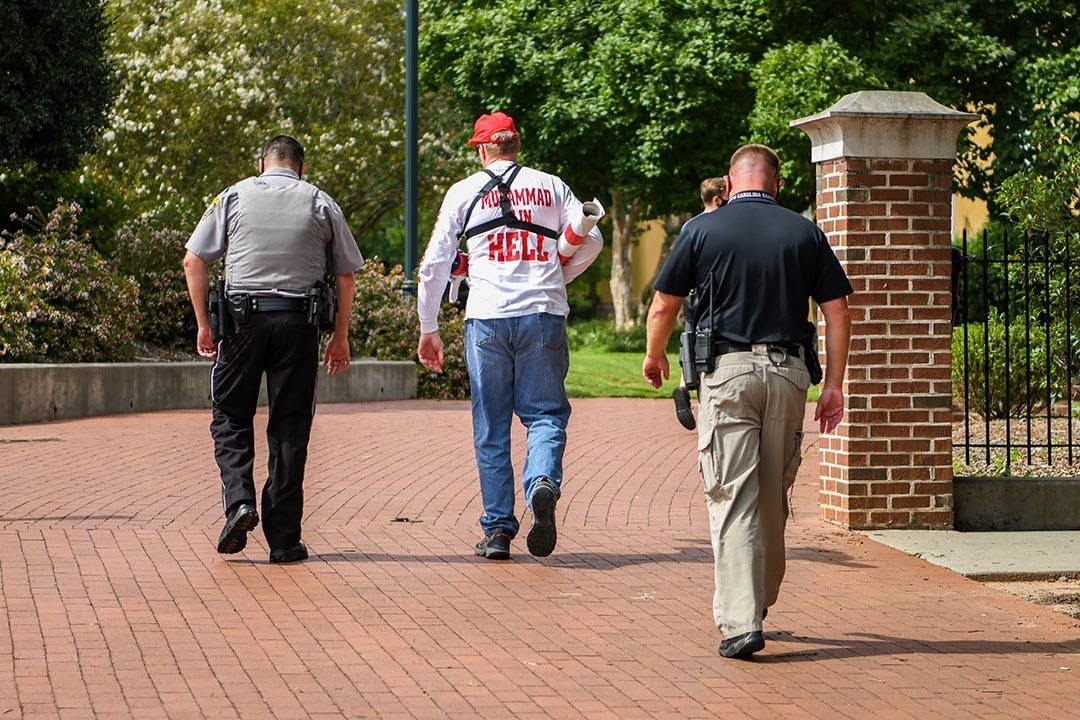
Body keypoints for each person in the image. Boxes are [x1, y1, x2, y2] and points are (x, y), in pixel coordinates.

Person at [642, 144, 852, 659]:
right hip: (788, 374)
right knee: (772, 494)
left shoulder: (701, 229)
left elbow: (665, 303)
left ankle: (740, 621)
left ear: (731, 185)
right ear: (776, 185)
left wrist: (654, 354)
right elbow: (838, 311)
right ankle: (760, 599)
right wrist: (834, 385)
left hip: (728, 374)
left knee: (731, 494)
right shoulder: (804, 232)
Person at [416, 112, 603, 560]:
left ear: (483, 150)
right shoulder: (553, 186)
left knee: (491, 426)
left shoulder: (463, 191)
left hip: (486, 316)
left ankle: (498, 530)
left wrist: (429, 327)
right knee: (544, 415)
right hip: (543, 314)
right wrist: (559, 274)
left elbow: (434, 264)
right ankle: (541, 480)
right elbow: (591, 241)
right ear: (516, 146)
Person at [182, 134, 364, 564]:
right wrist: (339, 337)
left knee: (230, 414)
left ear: (262, 163)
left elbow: (194, 260)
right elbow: (346, 276)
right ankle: (283, 540)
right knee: (290, 426)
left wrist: (204, 325)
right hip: (299, 325)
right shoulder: (321, 202)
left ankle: (240, 503)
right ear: (302, 166)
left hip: (242, 322)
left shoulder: (232, 197)